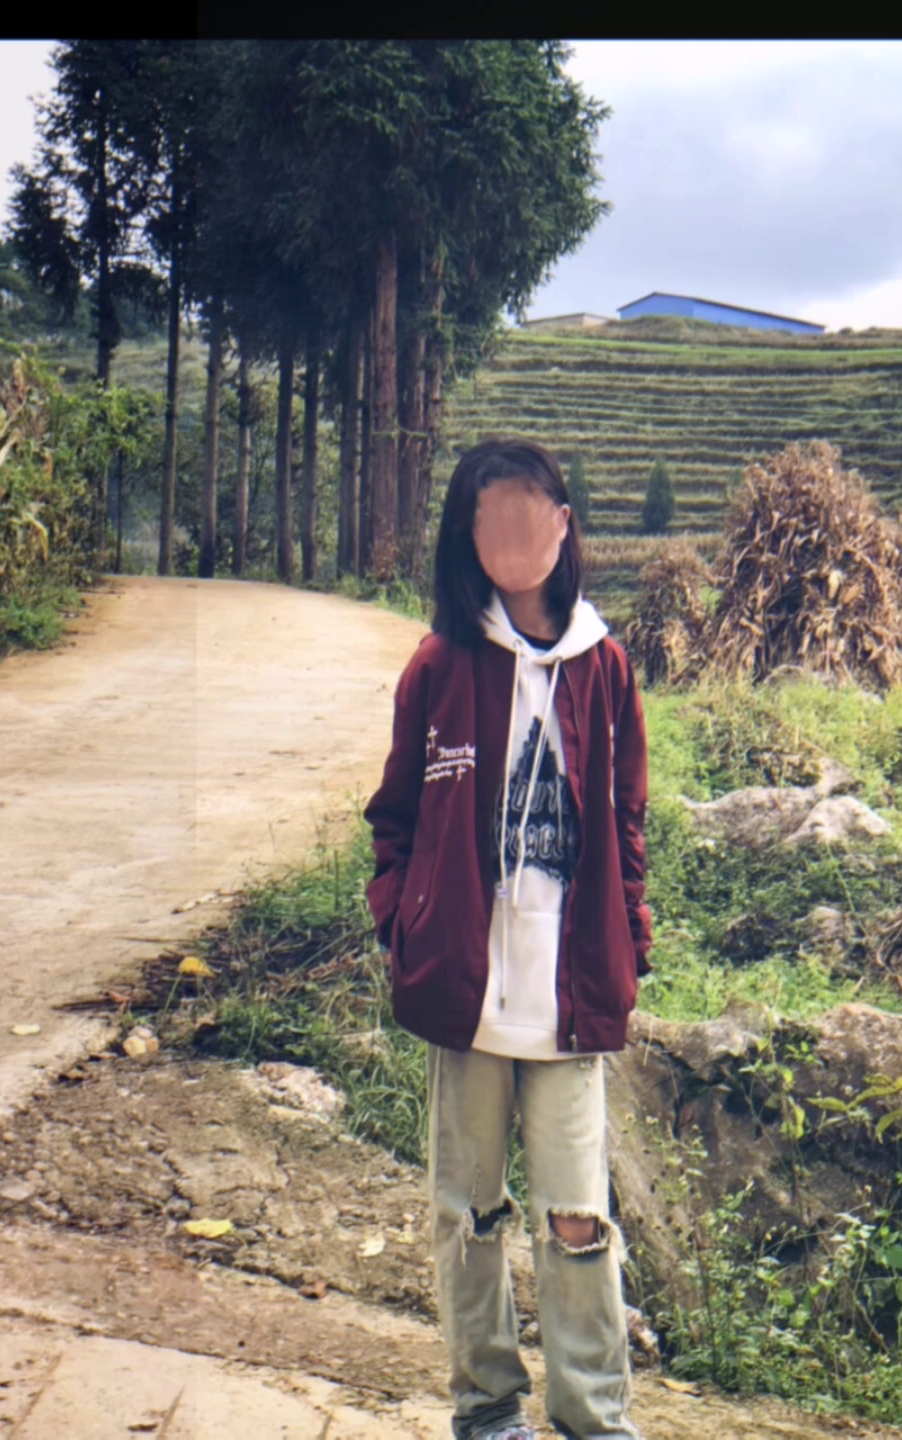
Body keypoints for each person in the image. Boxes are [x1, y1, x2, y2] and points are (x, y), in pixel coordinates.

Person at [363, 437, 652, 1440]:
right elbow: (395, 817)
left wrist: (629, 943)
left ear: (563, 525)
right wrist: (405, 922)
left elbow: (627, 825)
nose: (518, 535)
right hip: (467, 991)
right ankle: (487, 1410)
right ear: (468, 538)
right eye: (494, 517)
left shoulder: (606, 668)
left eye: (534, 511)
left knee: (578, 1220)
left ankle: (593, 1417)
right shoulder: (440, 667)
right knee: (468, 1213)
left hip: (568, 994)